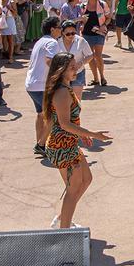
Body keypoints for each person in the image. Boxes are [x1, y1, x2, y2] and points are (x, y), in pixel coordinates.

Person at [42, 53, 111, 229]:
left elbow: (65, 122)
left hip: (68, 143)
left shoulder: (65, 88)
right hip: (62, 146)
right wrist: (93, 134)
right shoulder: (62, 92)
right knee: (73, 189)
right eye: (72, 67)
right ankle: (65, 231)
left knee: (86, 179)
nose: (76, 70)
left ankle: (63, 216)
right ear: (61, 70)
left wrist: (81, 134)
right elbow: (64, 124)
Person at [26, 16, 62, 156]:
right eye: (59, 27)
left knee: (41, 114)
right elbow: (50, 61)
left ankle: (41, 143)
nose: (61, 30)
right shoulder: (52, 43)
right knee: (53, 116)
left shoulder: (40, 41)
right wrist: (62, 74)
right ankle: (41, 144)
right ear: (52, 29)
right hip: (41, 85)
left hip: (32, 84)